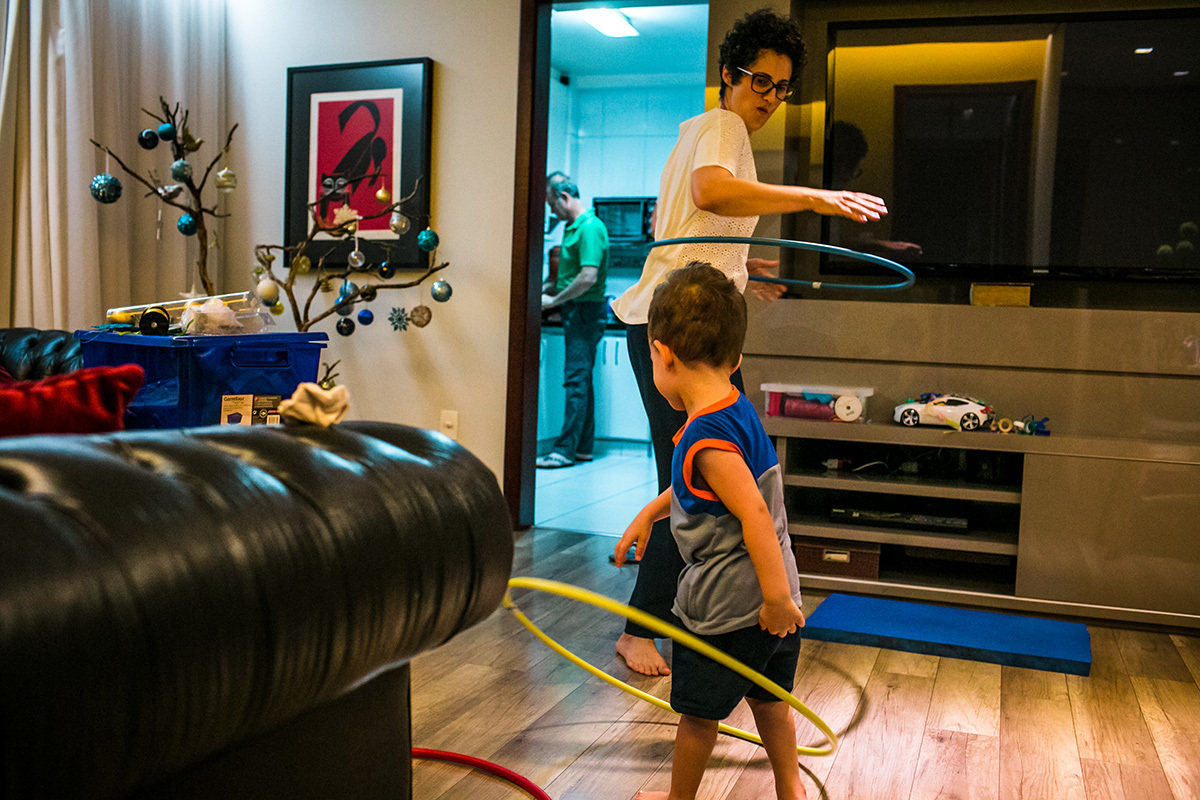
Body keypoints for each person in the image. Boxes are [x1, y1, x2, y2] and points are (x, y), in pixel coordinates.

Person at [608, 8, 887, 676]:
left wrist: (742, 272)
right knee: (695, 480)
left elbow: (692, 223)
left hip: (680, 321)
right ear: (729, 76)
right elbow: (711, 193)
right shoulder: (722, 126)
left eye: (782, 88)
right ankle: (640, 631)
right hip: (674, 334)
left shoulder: (701, 133)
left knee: (692, 478)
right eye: (760, 81)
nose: (769, 98)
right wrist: (817, 202)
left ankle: (669, 621)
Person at [614, 262, 806, 800]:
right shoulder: (734, 409)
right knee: (770, 700)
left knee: (698, 718)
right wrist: (649, 514)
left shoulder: (704, 438)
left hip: (731, 609)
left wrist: (770, 603)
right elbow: (710, 488)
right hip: (775, 595)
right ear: (736, 358)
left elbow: (754, 517)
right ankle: (791, 788)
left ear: (663, 355)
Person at [536, 175, 610, 469]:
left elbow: (587, 276)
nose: (551, 211)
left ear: (564, 197)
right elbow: (565, 275)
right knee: (582, 381)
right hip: (578, 311)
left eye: (552, 204)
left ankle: (564, 451)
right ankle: (582, 448)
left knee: (575, 381)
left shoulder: (590, 228)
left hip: (583, 311)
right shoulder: (573, 226)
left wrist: (555, 301)